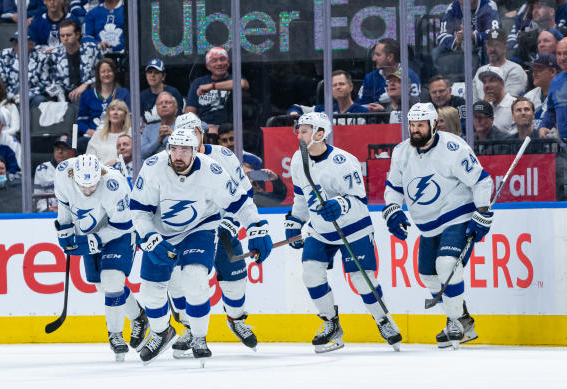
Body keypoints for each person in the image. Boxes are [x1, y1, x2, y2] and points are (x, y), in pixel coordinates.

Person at [130, 128, 273, 365]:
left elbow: (240, 202)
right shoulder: (153, 167)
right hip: (161, 231)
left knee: (195, 278)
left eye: (184, 150)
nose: (178, 155)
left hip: (200, 228)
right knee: (151, 291)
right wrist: (150, 237)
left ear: (195, 150)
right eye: (174, 149)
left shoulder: (212, 170)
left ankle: (199, 337)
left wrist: (257, 227)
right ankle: (161, 332)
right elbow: (139, 210)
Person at [284, 112, 402, 353]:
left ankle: (383, 320)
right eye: (299, 129)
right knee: (311, 274)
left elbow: (360, 201)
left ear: (320, 134)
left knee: (362, 279)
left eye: (304, 130)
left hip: (353, 228)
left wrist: (340, 205)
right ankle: (331, 323)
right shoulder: (298, 159)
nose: (299, 134)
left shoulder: (343, 162)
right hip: (320, 230)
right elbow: (301, 197)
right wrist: (295, 221)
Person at [382, 102, 491, 349]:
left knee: (447, 265)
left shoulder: (453, 148)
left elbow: (482, 181)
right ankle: (462, 322)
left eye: (421, 125)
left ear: (433, 124)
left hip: (457, 215)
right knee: (428, 276)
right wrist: (392, 210)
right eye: (412, 125)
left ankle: (455, 323)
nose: (415, 130)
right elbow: (394, 188)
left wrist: (482, 213)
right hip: (427, 225)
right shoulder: (401, 151)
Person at [165, 113, 266, 355]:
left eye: (195, 132)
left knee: (234, 284)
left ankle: (236, 319)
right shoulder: (168, 162)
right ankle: (190, 328)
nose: (191, 137)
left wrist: (232, 222)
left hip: (222, 230)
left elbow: (244, 193)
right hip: (186, 233)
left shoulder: (223, 156)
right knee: (181, 282)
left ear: (202, 133)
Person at [54, 154, 149, 361]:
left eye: (92, 185)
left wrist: (92, 242)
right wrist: (64, 233)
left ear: (100, 175)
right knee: (103, 286)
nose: (87, 190)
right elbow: (65, 208)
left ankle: (115, 335)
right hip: (88, 230)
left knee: (112, 279)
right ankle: (138, 317)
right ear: (74, 177)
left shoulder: (115, 184)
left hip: (119, 233)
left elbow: (123, 225)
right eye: (83, 186)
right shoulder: (63, 174)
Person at [185, 47, 249, 130]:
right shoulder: (198, 83)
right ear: (208, 66)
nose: (219, 63)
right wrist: (203, 126)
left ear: (228, 62)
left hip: (231, 129)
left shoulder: (235, 78)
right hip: (205, 130)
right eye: (214, 61)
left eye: (222, 59)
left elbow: (243, 84)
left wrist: (212, 86)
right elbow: (189, 112)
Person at [45, 19, 102, 103]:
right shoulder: (54, 54)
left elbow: (103, 74)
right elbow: (50, 81)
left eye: (68, 35)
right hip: (64, 95)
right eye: (62, 36)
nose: (65, 38)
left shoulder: (92, 49)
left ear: (78, 34)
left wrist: (86, 84)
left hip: (89, 91)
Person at [356, 38, 421, 110]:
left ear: (390, 57)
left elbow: (416, 106)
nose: (373, 59)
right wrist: (376, 106)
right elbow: (359, 107)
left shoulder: (410, 76)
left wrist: (393, 100)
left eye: (378, 55)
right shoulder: (370, 78)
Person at [287, 70, 369, 123]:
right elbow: (296, 108)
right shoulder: (323, 110)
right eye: (334, 85)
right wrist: (294, 113)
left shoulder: (364, 112)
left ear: (351, 87)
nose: (338, 87)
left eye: (341, 84)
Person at [77, 58, 130, 139]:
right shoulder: (87, 95)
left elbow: (129, 118)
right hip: (92, 136)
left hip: (117, 136)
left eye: (109, 71)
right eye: (103, 72)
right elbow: (81, 121)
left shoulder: (123, 93)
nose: (106, 74)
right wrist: (88, 131)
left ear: (114, 73)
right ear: (98, 74)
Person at [434, 0, 501, 61]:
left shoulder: (488, 4)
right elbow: (441, 36)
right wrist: (456, 41)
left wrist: (474, 36)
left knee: (491, 46)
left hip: (481, 49)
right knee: (436, 52)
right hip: (460, 49)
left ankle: (488, 73)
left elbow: (495, 35)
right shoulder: (453, 7)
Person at [473, 29, 528, 100]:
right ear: (486, 46)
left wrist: (485, 104)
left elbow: (511, 101)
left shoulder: (515, 69)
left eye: (497, 45)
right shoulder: (480, 71)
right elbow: (472, 101)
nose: (492, 49)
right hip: (480, 110)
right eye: (490, 45)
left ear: (505, 47)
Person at [0, 32, 48, 107]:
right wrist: (12, 96)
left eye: (21, 42)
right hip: (9, 95)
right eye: (15, 42)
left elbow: (44, 83)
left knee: (40, 99)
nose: (17, 45)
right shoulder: (5, 55)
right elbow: (0, 81)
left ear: (32, 44)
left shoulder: (41, 57)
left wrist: (27, 95)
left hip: (31, 95)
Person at [33, 134, 74, 212]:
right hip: (48, 214)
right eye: (57, 148)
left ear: (71, 152)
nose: (60, 151)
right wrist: (48, 209)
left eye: (64, 148)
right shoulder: (42, 169)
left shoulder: (78, 169)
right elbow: (37, 199)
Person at [140, 58, 184, 124]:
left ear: (163, 76)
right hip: (149, 132)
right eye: (150, 72)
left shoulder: (173, 93)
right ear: (146, 75)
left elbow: (179, 118)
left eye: (156, 72)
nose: (152, 75)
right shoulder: (142, 96)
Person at [86, 99, 130, 163]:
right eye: (112, 109)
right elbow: (89, 159)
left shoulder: (131, 133)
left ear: (125, 115)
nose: (115, 112)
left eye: (120, 109)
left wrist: (114, 163)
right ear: (108, 114)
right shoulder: (98, 134)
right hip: (101, 171)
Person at [540, 37, 567, 138]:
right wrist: (544, 126)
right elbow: (551, 110)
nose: (562, 58)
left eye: (566, 53)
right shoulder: (555, 81)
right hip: (564, 145)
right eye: (559, 54)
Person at [525, 53, 560, 130]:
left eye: (539, 70)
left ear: (553, 72)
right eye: (533, 70)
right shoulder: (528, 97)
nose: (534, 73)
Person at [140, 91, 178, 159]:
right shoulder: (148, 129)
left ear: (176, 108)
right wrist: (158, 140)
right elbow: (142, 154)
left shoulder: (184, 123)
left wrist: (173, 135)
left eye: (167, 102)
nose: (164, 105)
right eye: (160, 103)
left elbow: (203, 126)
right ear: (157, 109)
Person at [479, 66, 517, 134]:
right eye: (484, 82)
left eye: (491, 81)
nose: (487, 85)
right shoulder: (482, 106)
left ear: (502, 83)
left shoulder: (515, 105)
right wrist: (483, 106)